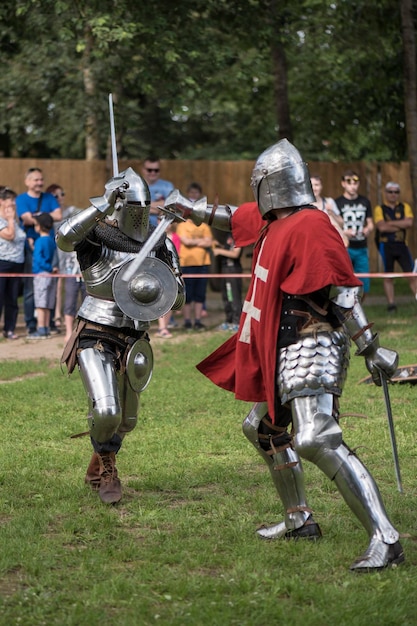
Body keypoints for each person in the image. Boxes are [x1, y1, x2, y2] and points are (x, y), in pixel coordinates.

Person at [165, 139, 404, 572]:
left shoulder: (312, 225)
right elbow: (232, 217)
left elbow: (342, 289)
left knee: (315, 437)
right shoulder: (274, 220)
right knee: (261, 428)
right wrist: (187, 207)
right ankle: (299, 520)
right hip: (280, 340)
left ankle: (385, 537)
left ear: (271, 185)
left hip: (313, 338)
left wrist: (370, 348)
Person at [56, 167, 185, 504]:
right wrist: (99, 206)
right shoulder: (94, 235)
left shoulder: (159, 242)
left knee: (126, 421)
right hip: (96, 332)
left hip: (134, 337)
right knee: (107, 411)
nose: (138, 216)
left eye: (143, 209)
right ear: (116, 205)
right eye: (131, 207)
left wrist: (156, 285)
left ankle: (99, 461)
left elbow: (179, 294)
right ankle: (109, 468)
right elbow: (63, 237)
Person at [16, 168, 62, 336]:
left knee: (51, 285)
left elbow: (58, 214)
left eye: (41, 179)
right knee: (31, 287)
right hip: (31, 247)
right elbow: (25, 218)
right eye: (35, 180)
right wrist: (45, 216)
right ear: (27, 181)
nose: (39, 183)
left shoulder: (49, 197)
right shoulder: (21, 199)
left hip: (50, 245)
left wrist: (36, 216)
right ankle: (31, 324)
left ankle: (48, 324)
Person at [374, 181, 417, 312]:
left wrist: (390, 224)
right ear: (386, 193)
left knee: (412, 274)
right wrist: (400, 223)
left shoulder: (405, 207)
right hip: (386, 245)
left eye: (396, 192)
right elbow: (381, 227)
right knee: (388, 275)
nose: (393, 194)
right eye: (390, 192)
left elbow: (409, 223)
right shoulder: (379, 209)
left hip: (402, 245)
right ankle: (391, 304)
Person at [176, 186, 213, 331]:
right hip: (187, 264)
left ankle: (197, 321)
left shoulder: (204, 225)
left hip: (203, 264)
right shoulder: (182, 225)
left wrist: (195, 242)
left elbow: (209, 241)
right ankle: (186, 322)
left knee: (200, 295)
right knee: (188, 295)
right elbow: (185, 241)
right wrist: (200, 242)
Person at [335, 170, 373, 296]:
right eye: (349, 181)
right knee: (344, 281)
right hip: (345, 247)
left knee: (364, 283)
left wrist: (367, 229)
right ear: (343, 183)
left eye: (355, 182)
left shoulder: (365, 201)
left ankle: (358, 309)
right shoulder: (337, 202)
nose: (352, 185)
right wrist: (345, 232)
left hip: (362, 247)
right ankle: (346, 310)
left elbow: (371, 223)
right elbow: (334, 225)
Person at [0, 188, 26, 339]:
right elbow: (9, 235)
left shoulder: (14, 220)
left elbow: (19, 236)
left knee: (12, 298)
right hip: (2, 263)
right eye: (10, 200)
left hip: (17, 263)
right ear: (2, 201)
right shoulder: (4, 220)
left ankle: (9, 329)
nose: (13, 203)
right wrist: (10, 219)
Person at [28, 213, 58, 339]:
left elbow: (38, 258)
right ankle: (46, 328)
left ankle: (41, 329)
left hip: (41, 274)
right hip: (50, 275)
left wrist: (48, 268)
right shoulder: (52, 241)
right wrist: (52, 269)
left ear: (39, 226)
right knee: (47, 304)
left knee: (40, 304)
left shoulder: (39, 241)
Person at [212, 229, 242, 331]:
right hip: (225, 269)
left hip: (233, 269)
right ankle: (229, 320)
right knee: (226, 296)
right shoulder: (229, 235)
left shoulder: (239, 236)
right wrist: (220, 246)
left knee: (234, 297)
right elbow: (229, 249)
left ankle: (237, 322)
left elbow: (235, 254)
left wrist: (219, 251)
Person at [310, 174, 348, 247]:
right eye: (311, 185)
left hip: (330, 243)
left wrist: (332, 213)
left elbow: (342, 223)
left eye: (317, 185)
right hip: (313, 244)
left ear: (321, 186)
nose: (314, 188)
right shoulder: (304, 206)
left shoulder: (329, 202)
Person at [141, 156, 174, 227]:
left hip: (160, 229)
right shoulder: (136, 185)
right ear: (143, 170)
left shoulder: (167, 186)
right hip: (138, 228)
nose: (153, 172)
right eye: (149, 170)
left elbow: (170, 207)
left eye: (156, 170)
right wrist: (159, 206)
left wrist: (142, 206)